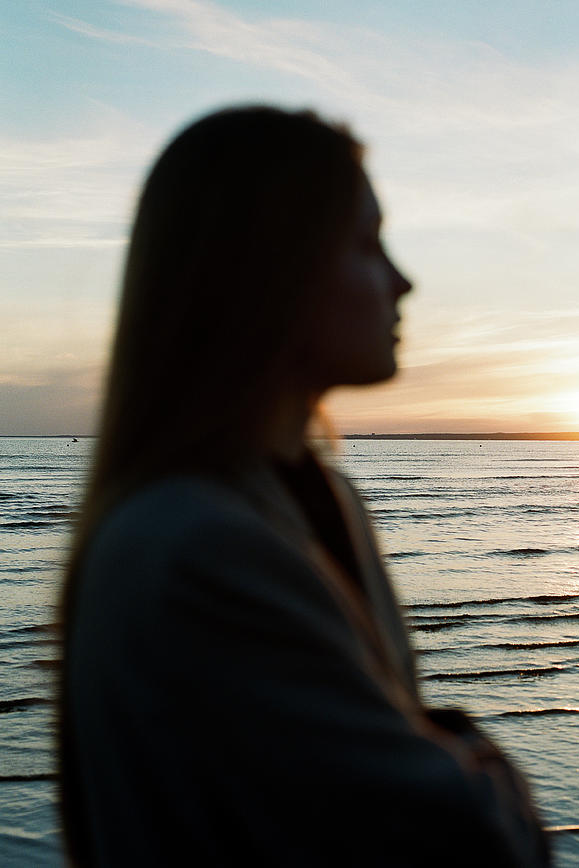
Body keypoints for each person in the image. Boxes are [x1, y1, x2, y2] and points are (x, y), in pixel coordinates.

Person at [59, 106, 551, 867]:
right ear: (269, 268)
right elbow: (459, 840)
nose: (403, 281)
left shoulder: (308, 498)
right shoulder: (201, 548)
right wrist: (474, 755)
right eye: (365, 243)